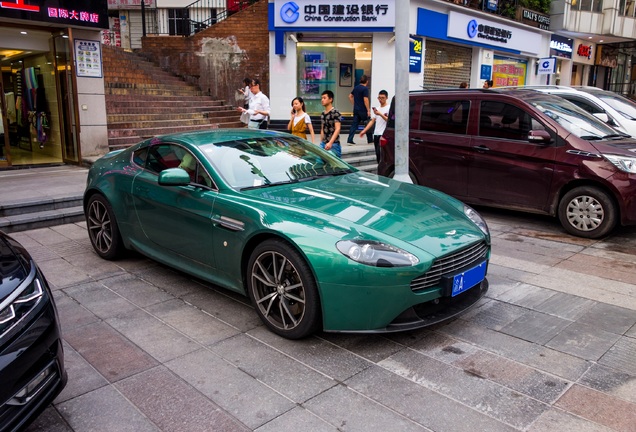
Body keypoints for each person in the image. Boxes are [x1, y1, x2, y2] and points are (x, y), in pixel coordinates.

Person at [359, 90, 390, 163]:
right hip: (376, 134)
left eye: (382, 98)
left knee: (383, 154)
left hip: (384, 134)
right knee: (377, 154)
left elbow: (389, 121)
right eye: (379, 98)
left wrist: (380, 114)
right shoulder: (377, 109)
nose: (380, 100)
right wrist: (364, 131)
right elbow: (372, 121)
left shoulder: (389, 108)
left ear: (386, 98)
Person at [347, 74, 373, 145]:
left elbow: (350, 96)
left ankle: (350, 139)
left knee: (354, 125)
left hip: (356, 109)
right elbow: (366, 100)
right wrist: (368, 110)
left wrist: (354, 103)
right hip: (363, 110)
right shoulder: (365, 89)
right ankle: (370, 139)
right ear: (367, 81)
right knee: (367, 123)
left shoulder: (356, 88)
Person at [319, 90, 342, 158]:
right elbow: (322, 129)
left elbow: (337, 128)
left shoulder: (335, 112)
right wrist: (321, 142)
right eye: (322, 98)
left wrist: (330, 142)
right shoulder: (323, 113)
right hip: (324, 143)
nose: (322, 100)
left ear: (330, 99)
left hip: (334, 144)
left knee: (334, 166)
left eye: (324, 98)